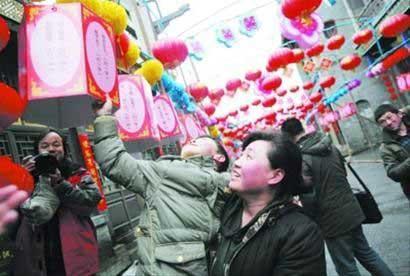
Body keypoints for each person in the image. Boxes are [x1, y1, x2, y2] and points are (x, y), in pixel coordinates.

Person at [93, 99, 230, 276]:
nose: (194, 139)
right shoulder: (163, 171)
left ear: (219, 157)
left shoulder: (233, 185)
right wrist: (105, 118)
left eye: (202, 140)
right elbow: (115, 162)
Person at [281, 118, 394, 276]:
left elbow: (309, 195)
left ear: (288, 136)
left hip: (331, 220)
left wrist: (310, 217)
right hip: (351, 209)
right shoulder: (330, 146)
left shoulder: (303, 159)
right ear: (301, 129)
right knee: (366, 253)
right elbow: (343, 173)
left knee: (346, 266)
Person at [210, 131, 326, 276]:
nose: (237, 163)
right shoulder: (223, 207)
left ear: (275, 176)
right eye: (241, 155)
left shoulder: (301, 233)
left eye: (249, 157)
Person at [14, 128, 101, 276]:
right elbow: (14, 209)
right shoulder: (30, 175)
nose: (51, 149)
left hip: (75, 249)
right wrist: (22, 179)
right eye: (45, 146)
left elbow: (90, 202)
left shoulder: (77, 172)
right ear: (37, 151)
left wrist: (60, 183)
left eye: (56, 144)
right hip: (40, 250)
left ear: (64, 148)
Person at [374, 104, 410, 201]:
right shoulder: (386, 147)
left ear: (399, 114)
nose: (388, 122)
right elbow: (393, 173)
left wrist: (403, 111)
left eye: (389, 117)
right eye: (383, 122)